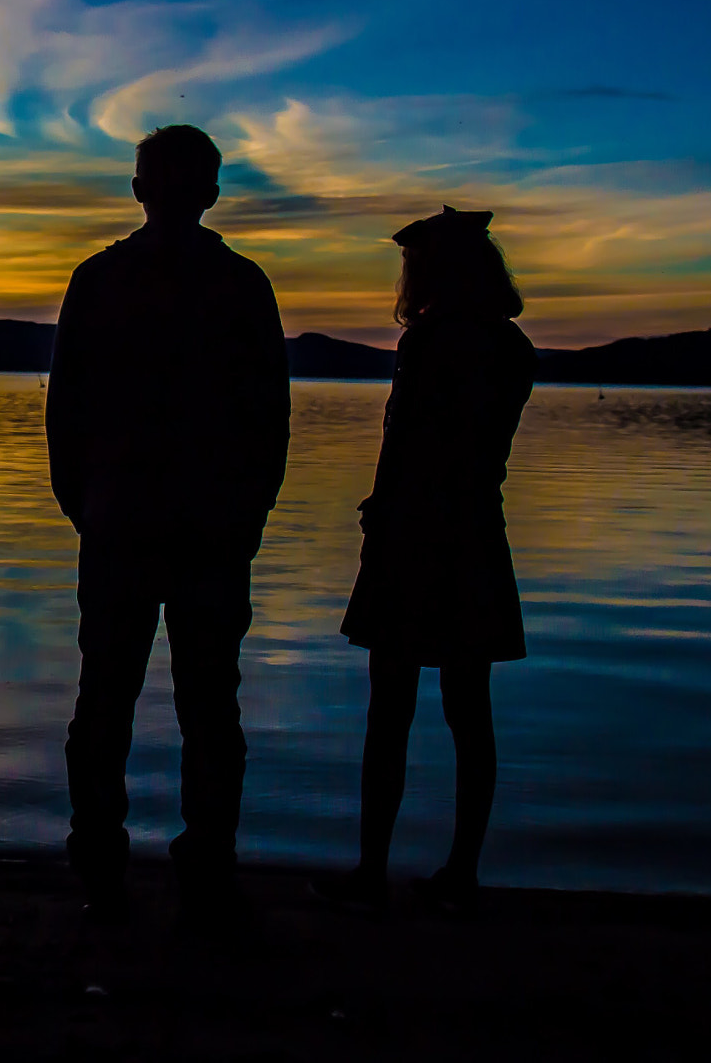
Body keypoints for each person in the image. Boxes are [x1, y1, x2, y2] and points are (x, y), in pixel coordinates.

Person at [46, 124, 291, 929]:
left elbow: (65, 415)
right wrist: (248, 512)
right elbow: (270, 420)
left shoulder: (101, 278)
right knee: (207, 708)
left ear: (139, 188)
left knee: (112, 700)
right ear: (212, 192)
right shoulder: (242, 284)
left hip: (137, 525)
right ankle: (203, 871)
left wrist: (89, 506)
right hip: (196, 529)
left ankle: (104, 869)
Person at [313, 206, 535, 917]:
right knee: (470, 713)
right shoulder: (510, 347)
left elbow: (409, 442)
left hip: (416, 536)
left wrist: (383, 510)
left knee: (393, 711)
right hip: (474, 531)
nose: (405, 277)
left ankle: (373, 868)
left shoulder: (435, 342)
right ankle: (461, 870)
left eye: (413, 264)